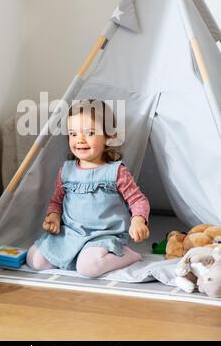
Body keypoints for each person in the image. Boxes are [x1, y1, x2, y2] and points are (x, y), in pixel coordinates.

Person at [26, 99, 150, 278]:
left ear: (108, 136)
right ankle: (76, 254)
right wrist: (53, 216)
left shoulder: (115, 171)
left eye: (90, 133)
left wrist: (138, 220)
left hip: (103, 235)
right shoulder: (67, 170)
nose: (80, 140)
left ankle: (128, 255)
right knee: (35, 260)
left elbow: (138, 200)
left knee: (87, 268)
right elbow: (57, 200)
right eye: (73, 134)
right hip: (71, 233)